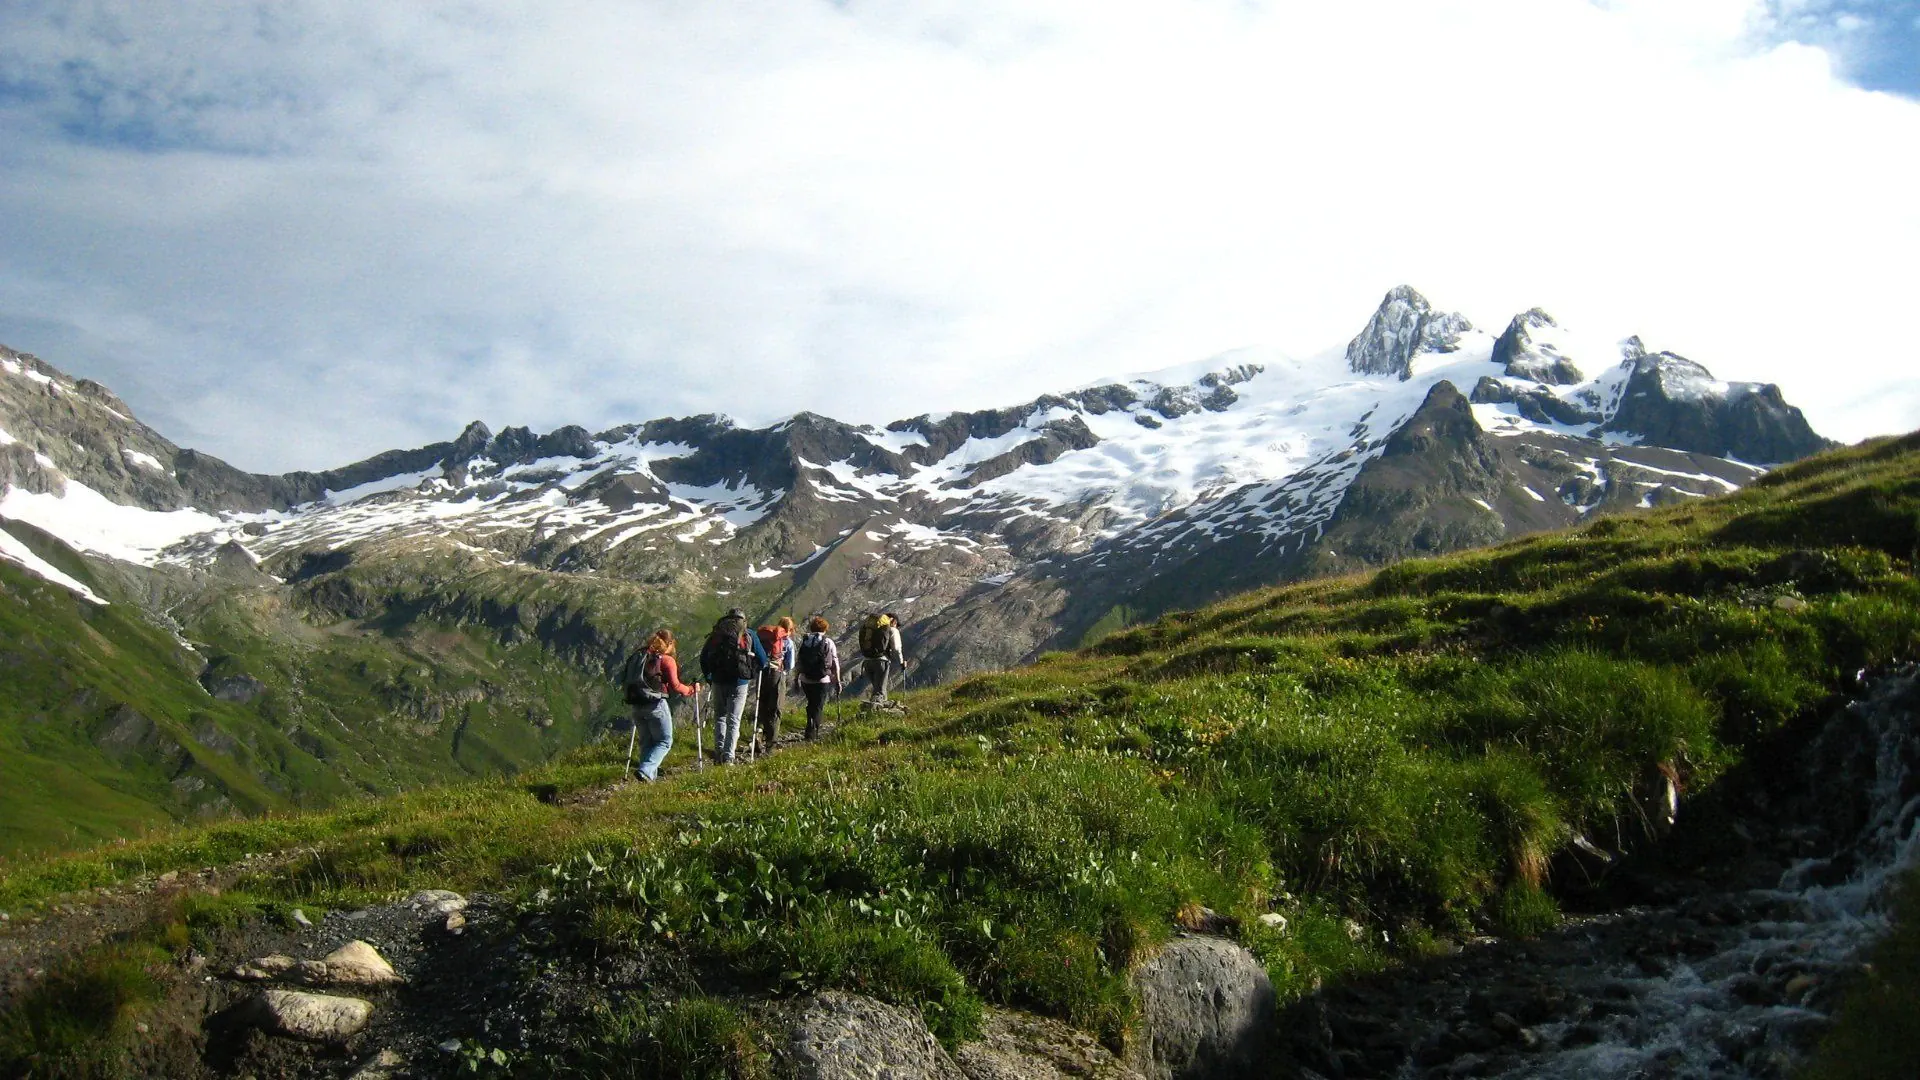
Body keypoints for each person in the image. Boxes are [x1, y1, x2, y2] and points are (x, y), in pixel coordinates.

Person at [620, 628, 695, 782]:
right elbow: (675, 686)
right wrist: (690, 690)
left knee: (647, 742)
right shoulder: (666, 660)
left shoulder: (639, 655)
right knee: (664, 741)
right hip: (655, 705)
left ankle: (648, 781)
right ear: (670, 644)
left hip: (636, 705)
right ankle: (646, 771)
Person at [699, 608, 769, 764]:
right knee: (734, 719)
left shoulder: (716, 634)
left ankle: (719, 751)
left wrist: (709, 677)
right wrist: (753, 670)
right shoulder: (749, 634)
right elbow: (763, 660)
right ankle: (729, 756)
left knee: (720, 717)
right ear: (743, 620)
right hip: (740, 681)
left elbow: (703, 658)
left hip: (718, 680)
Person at [753, 616, 797, 753]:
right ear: (789, 629)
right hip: (777, 675)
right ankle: (771, 745)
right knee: (775, 709)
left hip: (762, 674)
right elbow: (790, 664)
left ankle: (758, 732)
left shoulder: (766, 638)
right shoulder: (787, 642)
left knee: (762, 705)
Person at [794, 615, 841, 739]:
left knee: (811, 702)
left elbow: (799, 661)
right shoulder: (827, 641)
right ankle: (813, 732)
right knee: (818, 705)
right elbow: (835, 662)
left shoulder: (805, 641)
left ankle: (809, 725)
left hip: (805, 678)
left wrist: (796, 678)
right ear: (825, 628)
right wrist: (837, 679)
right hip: (822, 679)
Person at [857, 611, 906, 706]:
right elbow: (896, 648)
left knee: (876, 688)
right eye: (897, 624)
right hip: (881, 661)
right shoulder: (891, 630)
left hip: (867, 661)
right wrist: (901, 662)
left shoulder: (872, 629)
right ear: (894, 621)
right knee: (880, 692)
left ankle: (873, 710)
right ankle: (878, 713)